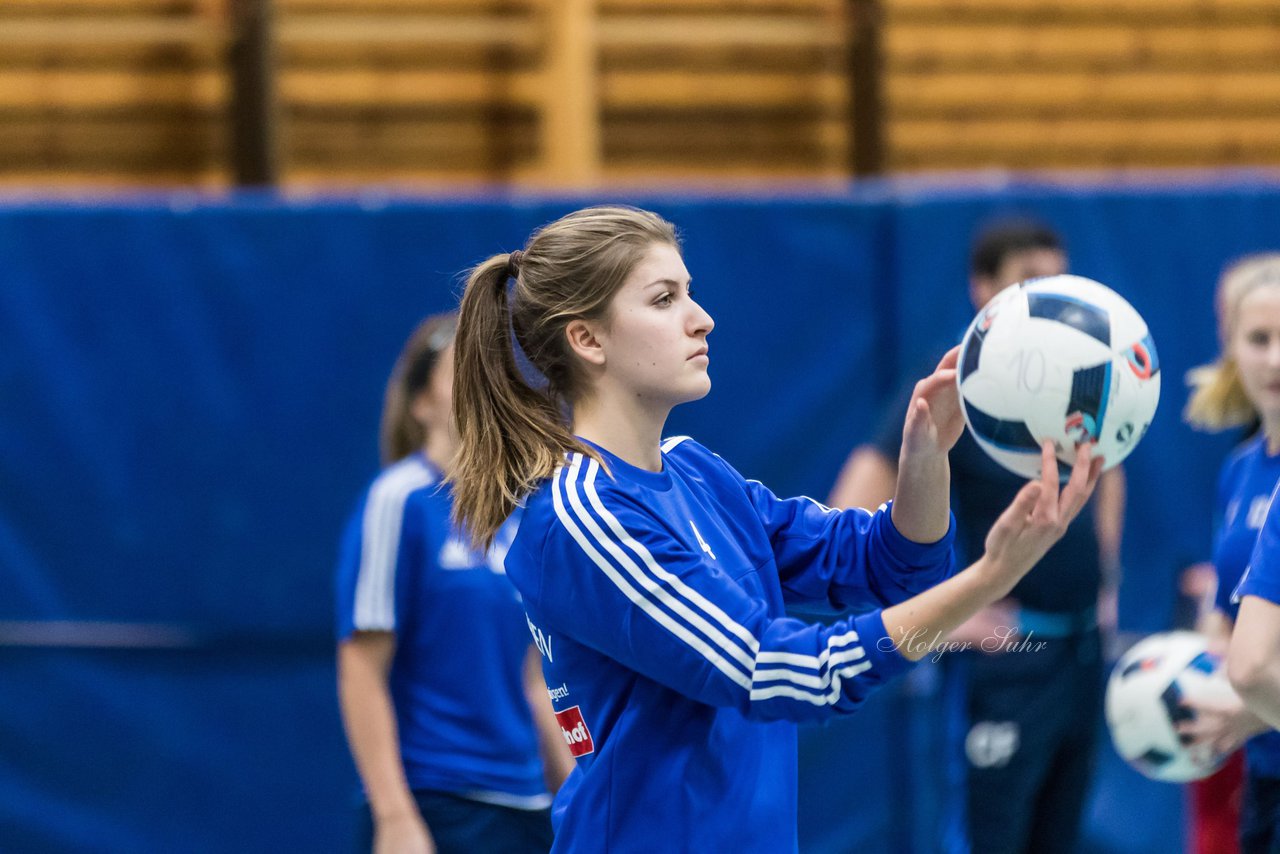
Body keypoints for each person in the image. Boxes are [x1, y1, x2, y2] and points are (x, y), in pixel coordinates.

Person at [447, 205, 1101, 852]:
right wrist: (991, 577)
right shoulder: (579, 516)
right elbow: (784, 672)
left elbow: (891, 568)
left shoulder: (697, 473)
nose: (701, 318)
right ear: (587, 339)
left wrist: (927, 459)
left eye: (691, 293)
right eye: (664, 298)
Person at [827, 217, 1126, 854]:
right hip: (1004, 668)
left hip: (1081, 658)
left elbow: (1110, 466)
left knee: (1060, 837)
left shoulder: (1084, 384)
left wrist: (1107, 580)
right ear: (981, 289)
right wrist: (956, 624)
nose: (1046, 298)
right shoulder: (958, 394)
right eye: (1027, 283)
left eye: (1057, 283)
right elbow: (845, 518)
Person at [335, 313, 573, 854]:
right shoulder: (399, 501)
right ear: (422, 404)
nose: (480, 380)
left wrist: (578, 796)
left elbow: (534, 681)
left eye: (490, 370)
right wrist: (395, 817)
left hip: (527, 807)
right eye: (459, 369)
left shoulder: (522, 519)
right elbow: (361, 668)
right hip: (439, 803)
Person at [1184, 254, 1280, 854]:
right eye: (1259, 339)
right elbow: (1226, 616)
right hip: (1263, 773)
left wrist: (1255, 703)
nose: (1274, 359)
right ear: (1232, 350)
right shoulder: (1241, 472)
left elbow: (1254, 665)